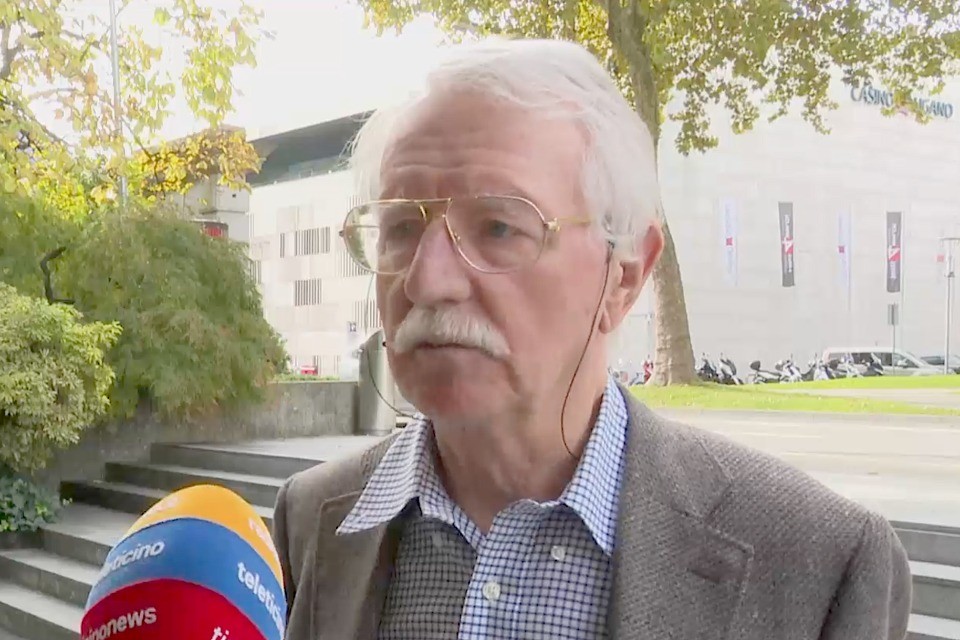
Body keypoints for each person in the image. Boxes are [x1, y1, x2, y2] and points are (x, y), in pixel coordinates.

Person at [272, 38, 911, 640]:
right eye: (400, 229)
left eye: (499, 227)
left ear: (624, 275)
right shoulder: (311, 521)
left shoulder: (818, 563)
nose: (427, 280)